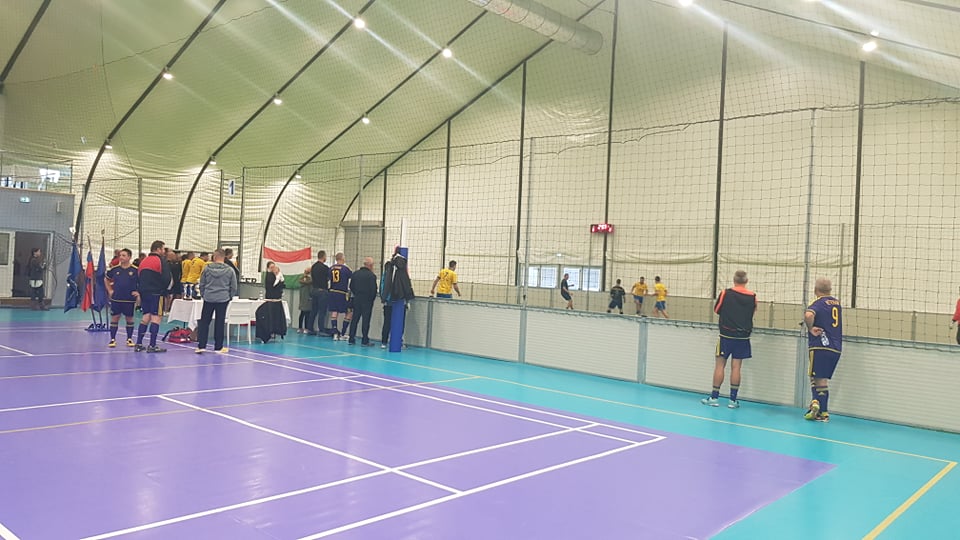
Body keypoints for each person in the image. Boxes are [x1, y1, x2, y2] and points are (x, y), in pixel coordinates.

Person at [702, 270, 757, 409]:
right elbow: (753, 311)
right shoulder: (753, 296)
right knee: (736, 367)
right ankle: (732, 400)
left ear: (734, 280)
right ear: (746, 281)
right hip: (743, 336)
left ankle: (714, 397)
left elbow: (717, 310)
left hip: (726, 335)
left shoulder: (725, 293)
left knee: (720, 365)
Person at [803, 277, 842, 423]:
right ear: (830, 289)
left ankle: (816, 405)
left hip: (820, 346)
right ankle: (824, 412)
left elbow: (808, 315)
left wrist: (810, 328)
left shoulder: (818, 303)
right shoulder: (837, 304)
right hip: (836, 347)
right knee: (822, 379)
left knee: (815, 378)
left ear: (815, 290)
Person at [195, 249, 237, 354]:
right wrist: (229, 296)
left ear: (214, 257)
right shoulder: (230, 270)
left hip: (209, 298)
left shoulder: (207, 269)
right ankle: (218, 347)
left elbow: (202, 284)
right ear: (224, 257)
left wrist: (204, 294)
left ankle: (201, 346)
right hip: (223, 298)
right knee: (219, 322)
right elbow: (234, 286)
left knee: (204, 322)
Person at [135, 240, 172, 353]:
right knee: (156, 317)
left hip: (144, 292)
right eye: (163, 249)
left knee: (146, 316)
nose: (164, 251)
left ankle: (139, 343)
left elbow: (138, 276)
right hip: (157, 293)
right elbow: (167, 278)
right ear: (158, 249)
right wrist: (166, 291)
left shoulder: (144, 261)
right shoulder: (161, 261)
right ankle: (152, 345)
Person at [381, 247, 415, 348]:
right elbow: (406, 283)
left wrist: (383, 297)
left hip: (388, 300)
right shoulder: (401, 268)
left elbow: (384, 283)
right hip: (398, 299)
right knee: (399, 322)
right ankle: (398, 341)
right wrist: (408, 298)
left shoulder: (388, 267)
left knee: (387, 322)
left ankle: (384, 342)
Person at [105, 248, 140, 348]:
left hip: (129, 299)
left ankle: (129, 339)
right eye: (120, 255)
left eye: (124, 255)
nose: (121, 257)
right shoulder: (115, 269)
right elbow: (106, 279)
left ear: (129, 257)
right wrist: (110, 290)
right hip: (116, 298)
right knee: (115, 317)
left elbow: (142, 282)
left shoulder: (135, 270)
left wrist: (138, 292)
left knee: (129, 318)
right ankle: (112, 339)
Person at [348, 257, 378, 346]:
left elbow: (351, 286)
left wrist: (357, 294)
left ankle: (351, 338)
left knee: (354, 319)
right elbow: (373, 290)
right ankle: (364, 340)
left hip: (357, 299)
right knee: (366, 320)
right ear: (370, 265)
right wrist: (371, 299)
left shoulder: (355, 274)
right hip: (367, 301)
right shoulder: (372, 276)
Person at [328, 252, 353, 340]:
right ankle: (343, 333)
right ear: (342, 258)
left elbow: (328, 280)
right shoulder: (346, 269)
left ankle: (335, 332)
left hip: (332, 292)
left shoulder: (331, 268)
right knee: (349, 312)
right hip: (342, 293)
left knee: (334, 311)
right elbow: (351, 278)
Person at [309, 250, 331, 335]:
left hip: (314, 290)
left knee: (313, 311)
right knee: (322, 311)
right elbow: (328, 278)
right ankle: (321, 329)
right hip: (322, 291)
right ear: (324, 257)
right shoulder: (325, 268)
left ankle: (310, 328)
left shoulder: (313, 267)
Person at [297, 267, 312, 333]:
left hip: (305, 298)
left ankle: (301, 328)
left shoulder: (301, 279)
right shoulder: (309, 279)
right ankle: (304, 328)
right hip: (307, 298)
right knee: (305, 314)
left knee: (303, 313)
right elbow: (309, 282)